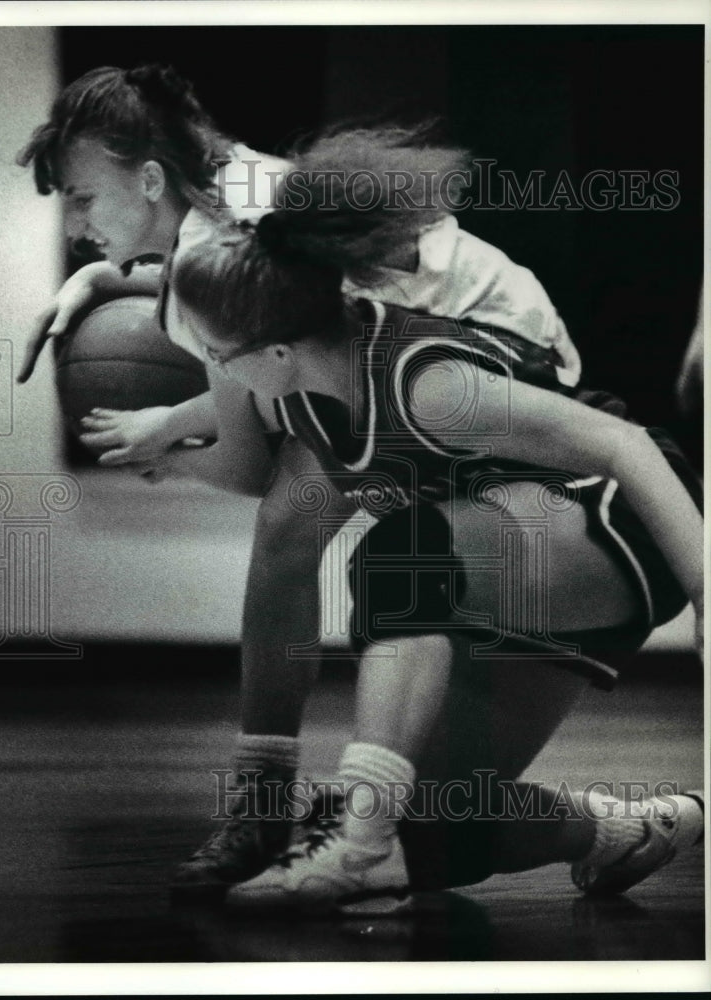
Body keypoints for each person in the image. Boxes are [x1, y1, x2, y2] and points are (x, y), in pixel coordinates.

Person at [17, 64, 650, 900]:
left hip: (496, 358)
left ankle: (271, 805)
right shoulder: (229, 195)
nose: (73, 222)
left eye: (81, 197)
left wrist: (161, 432)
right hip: (502, 350)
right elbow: (246, 363)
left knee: (295, 524)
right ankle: (604, 824)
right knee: (443, 813)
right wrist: (101, 282)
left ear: (149, 177)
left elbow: (246, 455)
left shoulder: (231, 237)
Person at [149, 132, 704, 914]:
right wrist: (170, 452)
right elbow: (251, 476)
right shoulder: (306, 390)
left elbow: (624, 444)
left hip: (612, 521)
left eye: (218, 353)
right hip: (506, 564)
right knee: (446, 829)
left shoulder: (426, 383)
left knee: (400, 557)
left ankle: (360, 832)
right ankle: (625, 830)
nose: (214, 370)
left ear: (274, 352)